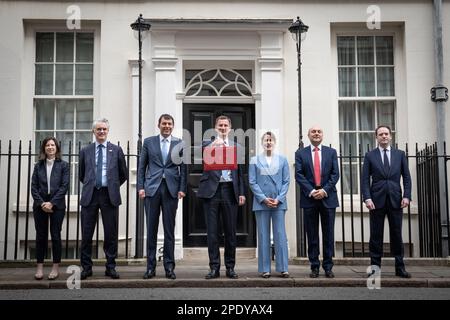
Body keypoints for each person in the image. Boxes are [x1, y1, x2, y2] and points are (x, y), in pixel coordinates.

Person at [138, 114, 187, 280]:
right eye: (164, 123)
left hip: (171, 190)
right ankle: (150, 268)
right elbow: (141, 166)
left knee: (169, 231)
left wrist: (182, 189)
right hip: (152, 189)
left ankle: (169, 267)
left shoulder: (180, 143)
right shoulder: (149, 142)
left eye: (169, 124)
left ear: (173, 126)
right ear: (158, 125)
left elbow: (184, 169)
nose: (167, 126)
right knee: (151, 230)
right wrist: (141, 187)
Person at [197, 115, 246, 279]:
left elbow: (240, 172)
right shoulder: (206, 144)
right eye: (220, 125)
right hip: (212, 191)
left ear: (230, 128)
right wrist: (213, 145)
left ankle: (230, 267)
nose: (223, 128)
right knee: (212, 232)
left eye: (225, 125)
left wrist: (241, 193)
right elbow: (199, 157)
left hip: (230, 190)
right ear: (215, 128)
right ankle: (214, 268)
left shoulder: (237, 146)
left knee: (231, 232)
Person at [79, 118, 128, 280]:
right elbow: (82, 175)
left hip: (109, 195)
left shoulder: (117, 150)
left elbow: (123, 174)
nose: (101, 132)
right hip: (90, 195)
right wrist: (93, 183)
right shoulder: (85, 150)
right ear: (93, 131)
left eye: (104, 129)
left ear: (108, 131)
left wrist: (112, 185)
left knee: (111, 234)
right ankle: (86, 268)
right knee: (86, 234)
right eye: (98, 129)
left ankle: (110, 267)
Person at [361, 125, 412, 278]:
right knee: (375, 236)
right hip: (376, 201)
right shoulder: (370, 156)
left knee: (397, 234)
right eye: (380, 134)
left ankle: (400, 268)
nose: (384, 136)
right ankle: (375, 270)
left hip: (397, 200)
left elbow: (407, 178)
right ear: (376, 137)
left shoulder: (400, 154)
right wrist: (367, 198)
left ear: (391, 136)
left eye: (386, 134)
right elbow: (364, 180)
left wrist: (407, 196)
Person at [295, 125, 339, 278]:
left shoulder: (331, 152)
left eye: (319, 131)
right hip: (310, 198)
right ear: (308, 135)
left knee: (328, 234)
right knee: (312, 235)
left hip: (328, 197)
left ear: (323, 135)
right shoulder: (300, 153)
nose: (316, 134)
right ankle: (314, 266)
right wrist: (313, 191)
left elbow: (335, 174)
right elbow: (299, 175)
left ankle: (328, 267)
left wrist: (324, 190)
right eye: (313, 131)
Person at [249, 132, 290, 278]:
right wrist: (263, 198)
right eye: (266, 140)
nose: (268, 142)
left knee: (280, 234)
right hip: (261, 203)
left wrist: (279, 198)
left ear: (274, 142)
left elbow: (286, 181)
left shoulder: (283, 160)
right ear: (262, 142)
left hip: (279, 203)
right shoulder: (254, 160)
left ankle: (283, 267)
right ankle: (265, 268)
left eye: (271, 140)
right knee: (263, 235)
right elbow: (252, 181)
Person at [31, 137, 70, 280]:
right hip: (40, 205)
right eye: (47, 145)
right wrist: (42, 203)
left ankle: (55, 267)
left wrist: (51, 203)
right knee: (40, 236)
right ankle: (40, 267)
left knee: (55, 235)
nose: (50, 147)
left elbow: (64, 186)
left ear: (57, 148)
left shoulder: (64, 165)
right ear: (44, 148)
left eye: (53, 145)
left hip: (57, 205)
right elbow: (33, 187)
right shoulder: (38, 166)